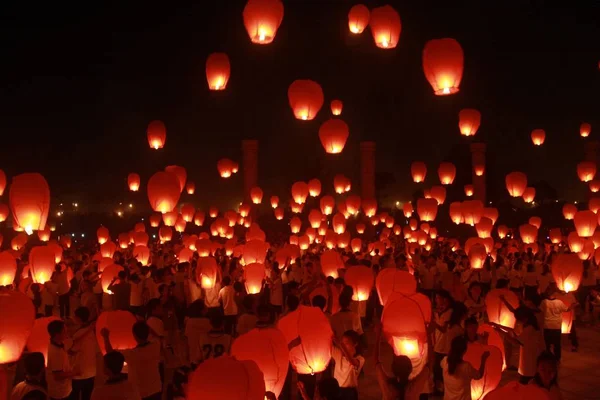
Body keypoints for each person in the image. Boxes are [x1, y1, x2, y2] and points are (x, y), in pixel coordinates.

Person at [100, 322, 162, 400]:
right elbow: (158, 337)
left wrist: (105, 337)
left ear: (134, 336)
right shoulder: (156, 345)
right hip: (156, 389)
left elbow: (111, 353)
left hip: (140, 393)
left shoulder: (132, 354)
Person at [491, 306, 544, 384]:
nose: (518, 321)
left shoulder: (529, 329)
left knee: (527, 382)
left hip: (530, 361)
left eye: (518, 319)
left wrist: (500, 331)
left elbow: (515, 341)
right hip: (529, 358)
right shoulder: (531, 325)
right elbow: (515, 332)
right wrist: (498, 326)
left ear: (525, 318)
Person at [70, 307, 97, 400]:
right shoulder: (92, 331)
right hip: (91, 371)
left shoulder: (79, 334)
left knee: (74, 396)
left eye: (75, 316)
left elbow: (72, 351)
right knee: (87, 396)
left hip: (79, 373)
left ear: (78, 318)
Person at [46, 320, 77, 400]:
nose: (67, 332)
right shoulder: (56, 352)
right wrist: (74, 373)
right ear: (57, 334)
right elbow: (57, 376)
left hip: (63, 389)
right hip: (59, 393)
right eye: (64, 331)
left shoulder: (59, 344)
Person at [541, 286, 572, 361]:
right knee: (557, 344)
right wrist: (574, 305)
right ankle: (557, 358)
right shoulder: (559, 302)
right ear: (554, 294)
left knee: (547, 344)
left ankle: (547, 358)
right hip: (556, 326)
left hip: (547, 325)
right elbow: (567, 309)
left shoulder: (544, 302)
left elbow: (540, 311)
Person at [331, 330, 365, 400]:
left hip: (350, 393)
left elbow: (352, 362)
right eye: (342, 342)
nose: (343, 345)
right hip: (337, 390)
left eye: (346, 343)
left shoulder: (360, 359)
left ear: (355, 344)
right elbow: (329, 347)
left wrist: (341, 346)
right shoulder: (338, 354)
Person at [184, 300, 211, 366]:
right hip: (206, 356)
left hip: (193, 356)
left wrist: (187, 354)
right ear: (201, 310)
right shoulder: (208, 322)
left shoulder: (189, 322)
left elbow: (186, 340)